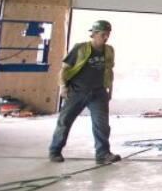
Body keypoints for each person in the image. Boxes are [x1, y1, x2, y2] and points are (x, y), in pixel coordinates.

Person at [49, 19, 121, 165]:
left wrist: (109, 91)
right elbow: (65, 69)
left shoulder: (109, 50)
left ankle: (103, 154)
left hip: (99, 93)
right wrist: (63, 87)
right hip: (77, 92)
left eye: (108, 34)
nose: (106, 37)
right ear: (94, 34)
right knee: (65, 121)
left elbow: (109, 71)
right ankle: (55, 151)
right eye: (102, 34)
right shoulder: (80, 48)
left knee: (102, 125)